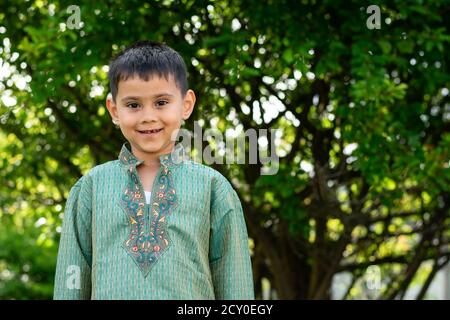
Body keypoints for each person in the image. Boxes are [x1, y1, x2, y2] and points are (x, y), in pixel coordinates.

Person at [53, 40, 254, 300]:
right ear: (114, 109)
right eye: (133, 105)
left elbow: (235, 285)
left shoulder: (213, 188)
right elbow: (71, 283)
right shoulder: (91, 187)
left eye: (161, 102)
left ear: (186, 104)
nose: (148, 116)